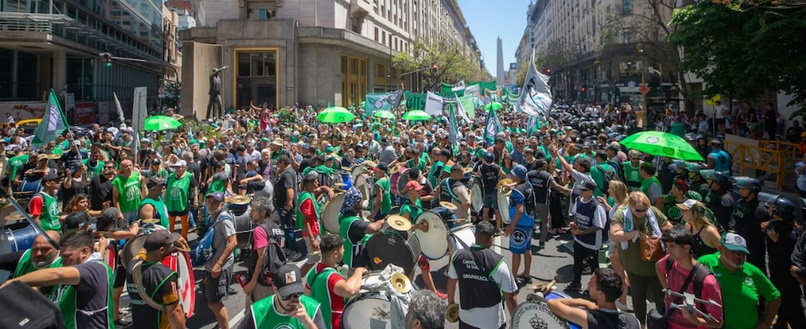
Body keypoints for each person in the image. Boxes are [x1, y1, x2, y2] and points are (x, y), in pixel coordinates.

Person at [1, 231, 114, 329]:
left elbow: (57, 274)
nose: (62, 261)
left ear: (84, 252)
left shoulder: (97, 269)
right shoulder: (74, 272)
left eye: (67, 257)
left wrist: (11, 283)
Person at [609, 192, 672, 325]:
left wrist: (660, 238)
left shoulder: (653, 212)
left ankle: (662, 324)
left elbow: (669, 228)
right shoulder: (621, 214)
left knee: (661, 298)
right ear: (630, 206)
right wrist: (634, 234)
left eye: (645, 209)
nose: (642, 212)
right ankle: (641, 324)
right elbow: (614, 235)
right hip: (635, 268)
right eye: (638, 210)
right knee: (638, 299)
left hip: (656, 267)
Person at [697, 233, 781, 329]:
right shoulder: (705, 263)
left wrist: (766, 322)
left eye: (742, 253)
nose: (738, 256)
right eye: (733, 251)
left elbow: (774, 297)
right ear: (720, 248)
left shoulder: (752, 271)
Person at [447, 221, 517, 329]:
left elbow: (451, 283)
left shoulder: (458, 256)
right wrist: (516, 321)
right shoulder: (498, 263)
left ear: (475, 236)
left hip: (466, 320)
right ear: (491, 238)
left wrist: (451, 304)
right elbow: (510, 298)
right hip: (491, 323)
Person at [655, 225, 723, 329]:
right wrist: (667, 289)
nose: (668, 250)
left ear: (686, 248)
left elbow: (718, 322)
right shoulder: (670, 261)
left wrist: (695, 320)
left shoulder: (707, 281)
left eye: (672, 246)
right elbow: (658, 267)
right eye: (667, 246)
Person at [126, 230, 187, 329]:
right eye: (170, 245)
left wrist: (150, 237)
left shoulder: (132, 267)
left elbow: (141, 252)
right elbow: (174, 312)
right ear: (162, 250)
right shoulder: (166, 275)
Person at [304, 234, 366, 329]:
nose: (344, 250)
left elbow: (306, 297)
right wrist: (359, 271)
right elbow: (349, 290)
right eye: (343, 249)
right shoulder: (331, 277)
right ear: (336, 254)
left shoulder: (313, 271)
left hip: (318, 324)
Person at [239, 264, 327, 329]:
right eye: (287, 295)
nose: (292, 301)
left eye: (296, 295)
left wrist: (308, 322)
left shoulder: (312, 309)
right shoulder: (258, 312)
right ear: (275, 289)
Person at [548, 268, 640, 329]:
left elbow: (552, 303)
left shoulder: (591, 319)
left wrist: (582, 302)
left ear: (600, 294)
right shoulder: (634, 321)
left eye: (591, 284)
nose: (588, 285)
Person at [243, 196, 285, 307]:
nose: (250, 213)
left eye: (253, 210)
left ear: (263, 212)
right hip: (275, 277)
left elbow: (261, 257)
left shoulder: (259, 230)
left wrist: (253, 282)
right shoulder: (276, 227)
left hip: (262, 282)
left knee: (255, 313)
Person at [567, 180, 607, 292]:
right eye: (581, 189)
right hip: (579, 240)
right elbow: (575, 214)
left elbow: (599, 226)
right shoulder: (578, 200)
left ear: (590, 191)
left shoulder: (596, 206)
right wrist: (574, 225)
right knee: (577, 264)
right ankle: (576, 283)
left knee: (594, 268)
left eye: (584, 190)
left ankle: (595, 289)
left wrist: (582, 232)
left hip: (591, 242)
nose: (581, 191)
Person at [204, 192, 237, 329]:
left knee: (215, 303)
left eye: (215, 202)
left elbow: (233, 242)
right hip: (212, 266)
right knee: (212, 299)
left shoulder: (224, 220)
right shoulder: (212, 217)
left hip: (220, 267)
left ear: (222, 204)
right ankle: (220, 323)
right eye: (209, 201)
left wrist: (218, 265)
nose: (211, 204)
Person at [338, 187, 384, 268]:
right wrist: (382, 221)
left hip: (348, 257)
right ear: (353, 204)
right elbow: (373, 228)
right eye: (360, 200)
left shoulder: (342, 215)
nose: (362, 201)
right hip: (355, 262)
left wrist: (360, 212)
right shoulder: (352, 222)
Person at [297, 172, 334, 275]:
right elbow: (306, 221)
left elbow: (321, 188)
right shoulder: (307, 199)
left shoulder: (309, 193)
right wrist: (312, 239)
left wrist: (328, 189)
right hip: (311, 234)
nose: (318, 183)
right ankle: (298, 278)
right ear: (309, 185)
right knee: (313, 259)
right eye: (315, 182)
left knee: (316, 258)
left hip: (315, 231)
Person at [504, 164, 535, 285]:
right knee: (527, 248)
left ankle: (514, 277)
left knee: (516, 252)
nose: (511, 175)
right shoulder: (528, 184)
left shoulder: (517, 192)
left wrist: (511, 226)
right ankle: (526, 274)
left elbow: (520, 209)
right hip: (529, 221)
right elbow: (518, 184)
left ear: (516, 176)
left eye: (513, 174)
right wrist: (510, 185)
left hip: (519, 224)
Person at [275, 155, 301, 260]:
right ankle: (288, 247)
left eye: (278, 164)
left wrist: (289, 204)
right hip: (284, 206)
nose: (277, 166)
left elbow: (289, 189)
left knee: (288, 228)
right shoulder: (288, 172)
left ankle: (295, 250)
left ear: (282, 162)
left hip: (286, 207)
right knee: (286, 229)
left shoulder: (287, 174)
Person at [166, 160, 196, 239]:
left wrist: (195, 199)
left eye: (178, 167)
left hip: (183, 203)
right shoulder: (170, 176)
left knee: (185, 223)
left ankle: (183, 239)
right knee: (171, 222)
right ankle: (170, 239)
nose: (176, 168)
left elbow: (195, 186)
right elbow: (165, 188)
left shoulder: (189, 176)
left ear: (184, 168)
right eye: (176, 167)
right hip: (171, 203)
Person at [477, 150, 506, 233]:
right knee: (497, 210)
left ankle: (485, 228)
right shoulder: (497, 167)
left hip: (486, 191)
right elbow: (504, 175)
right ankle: (498, 228)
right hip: (495, 191)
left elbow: (479, 177)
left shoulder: (481, 168)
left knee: (485, 210)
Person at [112, 159, 143, 224]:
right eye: (126, 166)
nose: (129, 167)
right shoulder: (118, 181)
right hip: (125, 211)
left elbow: (139, 190)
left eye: (130, 165)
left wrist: (142, 203)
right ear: (122, 168)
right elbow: (115, 198)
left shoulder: (136, 175)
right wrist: (119, 212)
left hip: (137, 208)